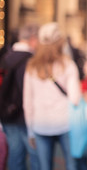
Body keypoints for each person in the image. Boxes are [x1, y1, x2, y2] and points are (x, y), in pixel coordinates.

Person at [23, 22, 81, 170]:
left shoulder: (31, 67)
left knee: (44, 167)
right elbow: (75, 99)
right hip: (65, 123)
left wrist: (30, 132)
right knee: (71, 165)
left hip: (40, 124)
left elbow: (27, 102)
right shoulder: (68, 65)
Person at [0, 24, 40, 170]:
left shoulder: (5, 57)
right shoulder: (31, 61)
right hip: (25, 116)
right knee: (36, 156)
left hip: (6, 113)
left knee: (15, 156)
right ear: (33, 39)